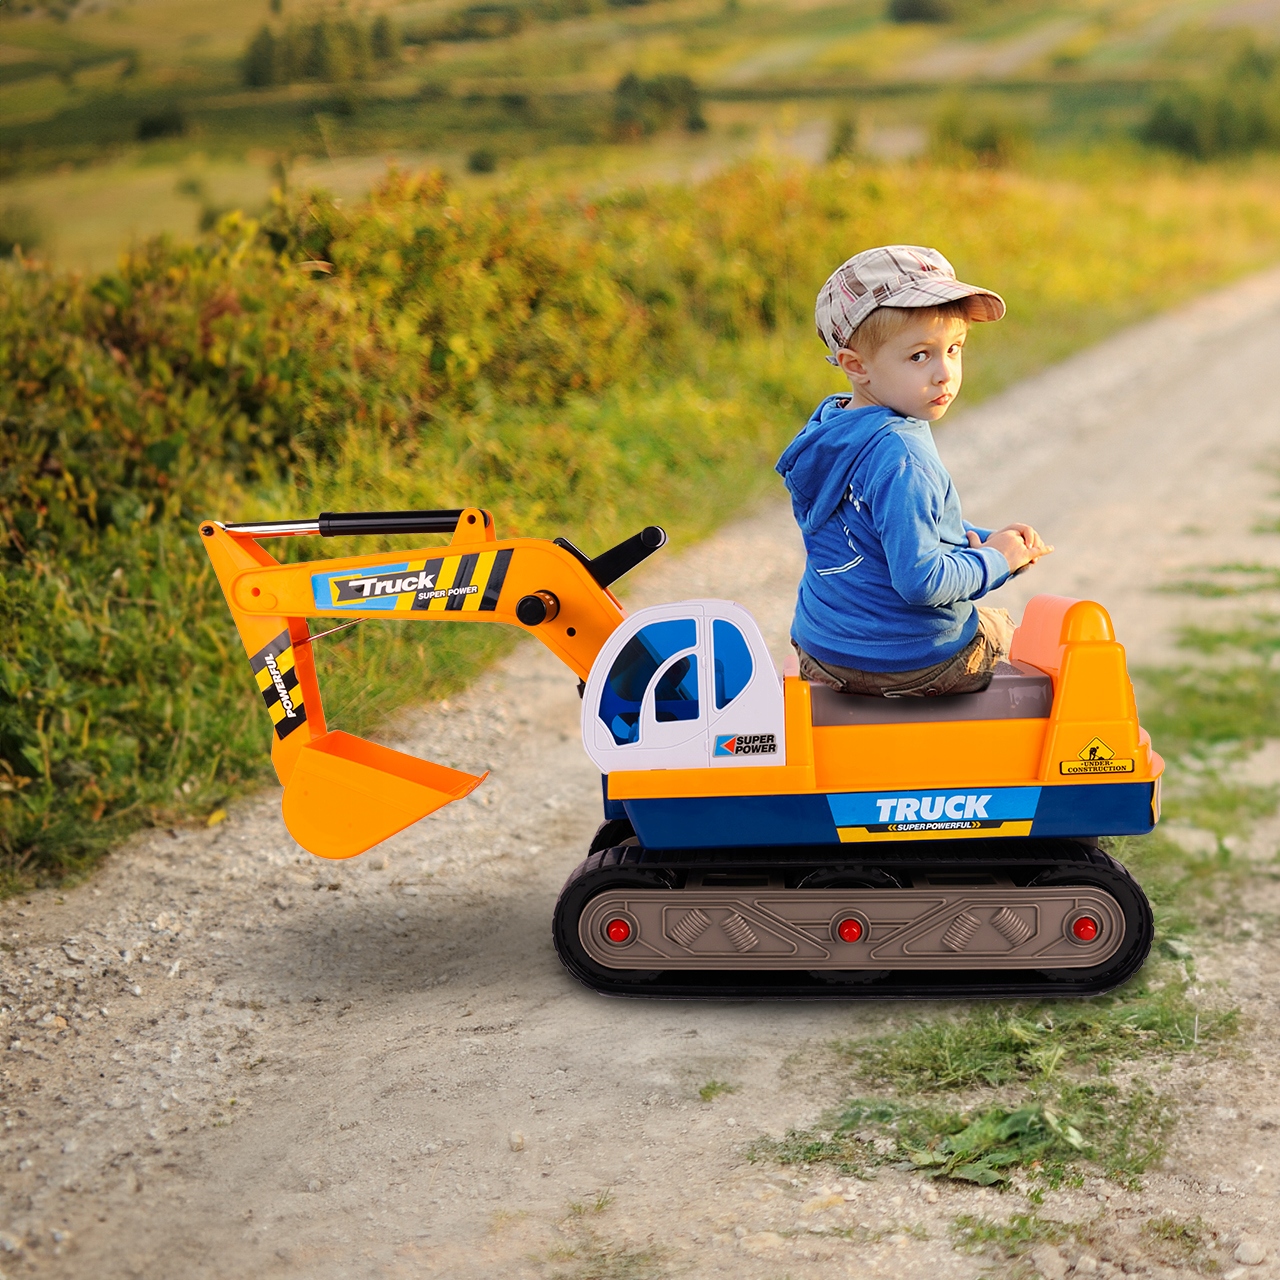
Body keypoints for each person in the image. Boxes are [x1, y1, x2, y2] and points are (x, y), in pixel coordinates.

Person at [776, 245, 1052, 698]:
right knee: (1005, 631)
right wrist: (1001, 560)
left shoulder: (832, 429)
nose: (945, 373)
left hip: (822, 652)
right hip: (908, 663)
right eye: (920, 356)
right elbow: (921, 582)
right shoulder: (903, 455)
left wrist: (977, 538)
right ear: (856, 365)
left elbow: (882, 526)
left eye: (954, 349)